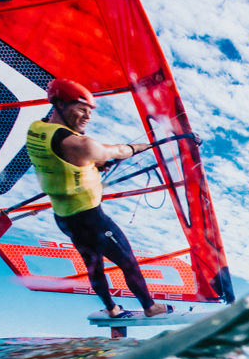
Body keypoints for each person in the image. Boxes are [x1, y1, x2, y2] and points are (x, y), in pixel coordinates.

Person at [25, 78, 172, 319]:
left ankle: (112, 309)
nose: (87, 116)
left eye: (90, 111)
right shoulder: (82, 145)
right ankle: (150, 307)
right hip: (91, 219)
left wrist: (90, 168)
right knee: (128, 261)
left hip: (63, 218)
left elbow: (59, 160)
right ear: (59, 104)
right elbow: (117, 151)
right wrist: (148, 145)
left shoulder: (36, 129)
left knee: (93, 265)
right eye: (81, 108)